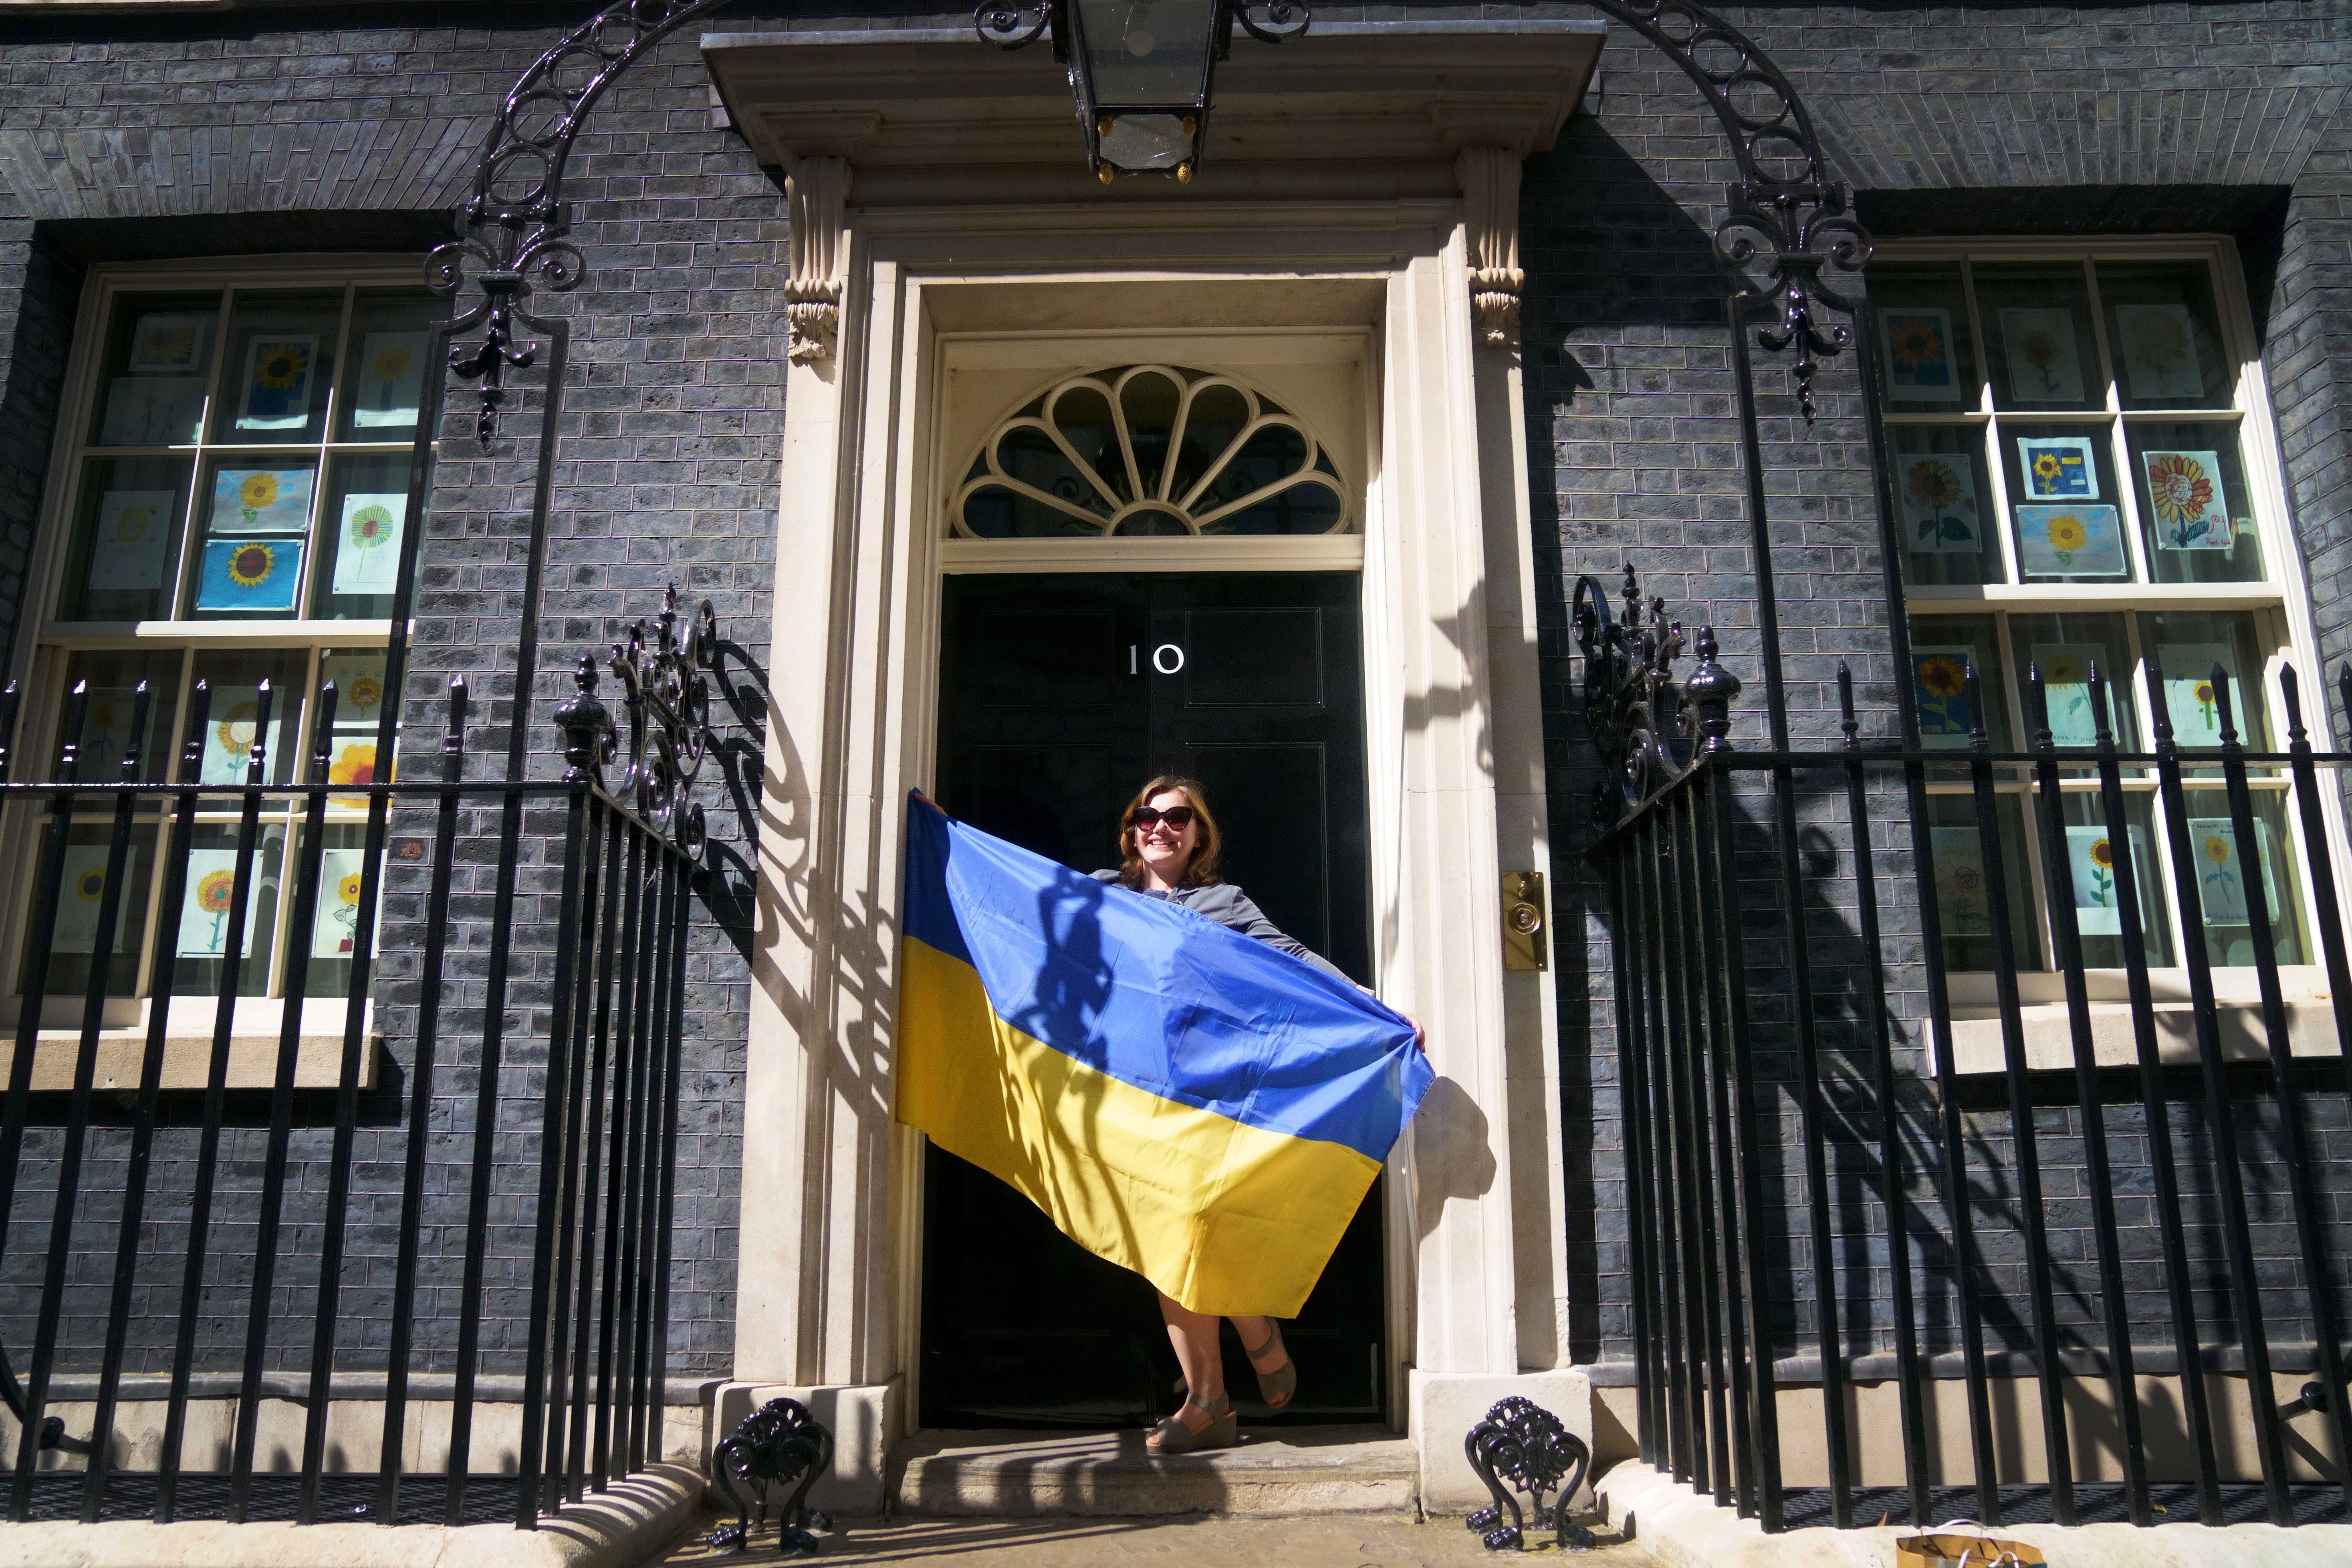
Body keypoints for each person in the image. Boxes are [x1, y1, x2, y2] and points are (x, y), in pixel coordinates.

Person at [1091, 774, 1420, 1456]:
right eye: (1146, 815)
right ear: (1130, 831)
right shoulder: (1101, 895)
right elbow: (1022, 906)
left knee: (1202, 1221)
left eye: (1177, 816)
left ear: (1197, 834)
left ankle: (1238, 1359)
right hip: (1131, 1092)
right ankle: (1218, 1385)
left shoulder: (1222, 902)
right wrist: (947, 836)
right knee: (1164, 1238)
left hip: (1211, 1089)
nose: (1160, 826)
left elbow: (1291, 958)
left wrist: (1371, 1005)